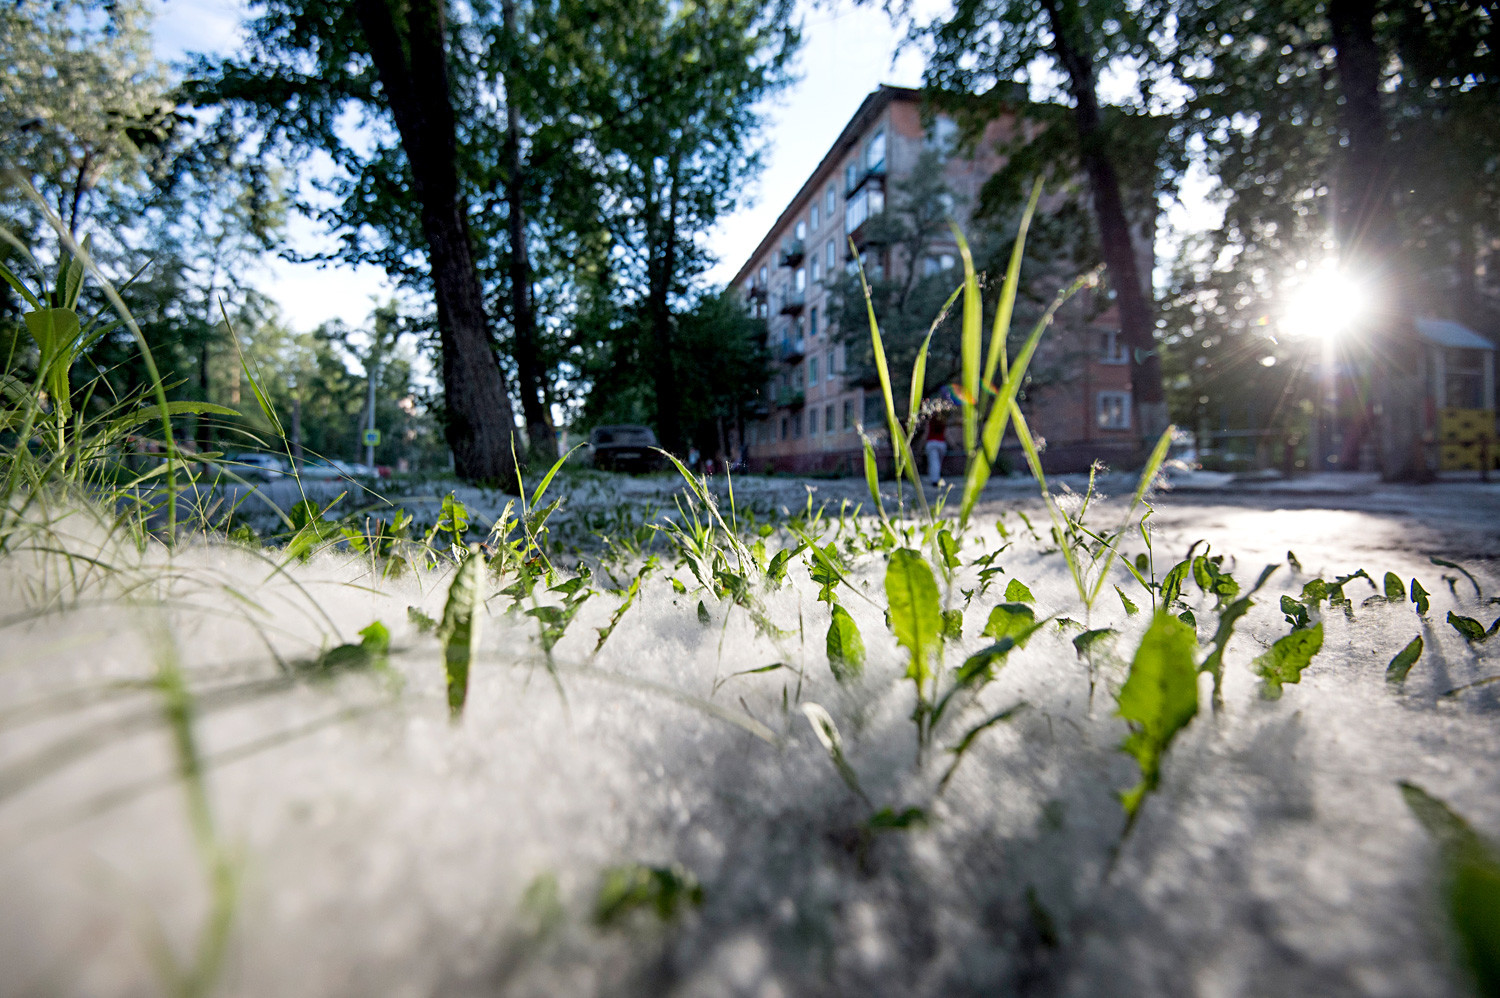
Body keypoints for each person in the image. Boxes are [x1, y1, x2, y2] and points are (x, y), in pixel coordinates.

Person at [924, 411, 948, 486]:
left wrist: (920, 445)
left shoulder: (930, 422)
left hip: (931, 443)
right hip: (941, 443)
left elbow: (926, 433)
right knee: (938, 462)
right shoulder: (943, 421)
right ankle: (936, 478)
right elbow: (946, 434)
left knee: (934, 462)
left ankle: (934, 480)